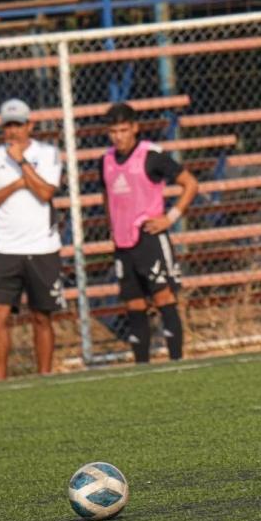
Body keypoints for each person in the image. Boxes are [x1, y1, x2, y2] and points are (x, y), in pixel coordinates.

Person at [99, 103, 198, 363]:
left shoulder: (151, 156)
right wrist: (112, 225)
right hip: (123, 242)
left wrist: (170, 218)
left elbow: (190, 183)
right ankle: (142, 367)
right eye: (113, 131)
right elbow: (107, 195)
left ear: (134, 128)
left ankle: (177, 361)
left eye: (123, 130)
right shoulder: (106, 160)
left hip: (149, 237)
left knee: (163, 295)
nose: (118, 136)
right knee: (133, 303)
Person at [0, 99, 65, 380]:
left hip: (42, 247)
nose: (12, 132)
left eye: (18, 125)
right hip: (5, 248)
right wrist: (16, 184)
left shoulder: (48, 153)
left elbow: (46, 192)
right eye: (8, 126)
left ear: (30, 125)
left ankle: (44, 379)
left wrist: (22, 164)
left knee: (41, 316)